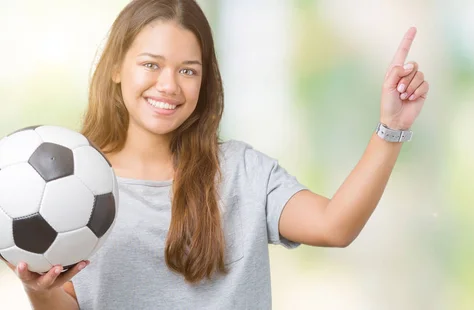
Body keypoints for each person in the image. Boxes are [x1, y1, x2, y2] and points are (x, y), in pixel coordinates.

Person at [1, 0, 429, 309]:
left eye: (188, 70)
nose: (169, 85)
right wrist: (39, 292)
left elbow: (336, 226)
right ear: (116, 67)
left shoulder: (242, 172)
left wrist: (392, 128)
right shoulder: (73, 189)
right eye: (150, 64)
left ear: (205, 81)